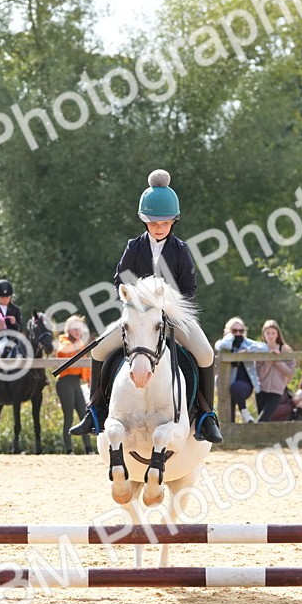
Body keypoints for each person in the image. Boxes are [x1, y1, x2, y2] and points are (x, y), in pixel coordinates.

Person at [69, 169, 223, 443]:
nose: (159, 227)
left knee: (205, 353)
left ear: (173, 221)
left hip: (172, 319)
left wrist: (166, 306)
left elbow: (189, 289)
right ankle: (93, 410)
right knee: (100, 350)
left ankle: (206, 416)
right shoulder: (134, 247)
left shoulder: (180, 249)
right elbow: (120, 279)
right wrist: (131, 297)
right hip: (137, 317)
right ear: (145, 221)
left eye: (164, 222)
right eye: (153, 222)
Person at [215, 317, 270, 423]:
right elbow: (222, 346)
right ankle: (229, 437)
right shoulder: (224, 343)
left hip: (244, 384)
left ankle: (244, 413)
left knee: (237, 388)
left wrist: (246, 351)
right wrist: (230, 336)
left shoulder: (247, 343)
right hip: (226, 384)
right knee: (228, 418)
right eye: (234, 331)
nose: (238, 333)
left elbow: (265, 348)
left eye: (241, 331)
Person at [54, 315, 94, 455]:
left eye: (79, 328)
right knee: (69, 416)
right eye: (74, 329)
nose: (78, 331)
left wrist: (88, 379)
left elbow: (84, 366)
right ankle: (69, 449)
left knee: (84, 414)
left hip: (76, 382)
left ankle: (89, 449)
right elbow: (63, 353)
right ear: (68, 330)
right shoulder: (65, 343)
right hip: (65, 382)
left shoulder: (79, 344)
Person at [254, 321, 295, 422]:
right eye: (268, 333)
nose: (270, 336)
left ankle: (250, 435)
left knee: (262, 419)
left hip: (277, 390)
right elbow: (259, 374)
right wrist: (269, 360)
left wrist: (276, 360)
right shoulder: (260, 350)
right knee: (265, 421)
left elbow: (290, 371)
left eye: (273, 333)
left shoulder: (286, 350)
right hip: (261, 389)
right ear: (263, 334)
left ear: (278, 334)